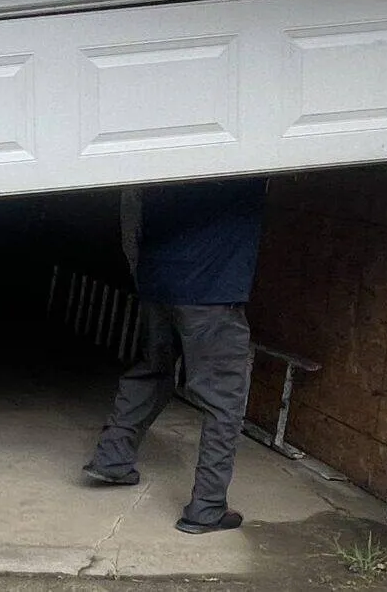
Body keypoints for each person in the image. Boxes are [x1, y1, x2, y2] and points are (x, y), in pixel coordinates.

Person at [83, 177, 267, 535]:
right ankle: (208, 506)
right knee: (223, 397)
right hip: (211, 290)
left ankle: (112, 458)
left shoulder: (173, 140)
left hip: (159, 279)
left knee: (152, 370)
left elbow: (133, 211)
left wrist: (141, 272)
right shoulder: (246, 143)